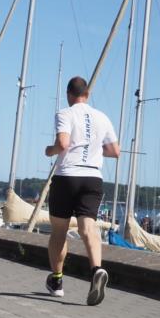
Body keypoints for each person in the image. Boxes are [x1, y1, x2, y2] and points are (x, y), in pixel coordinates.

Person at [44, 76, 120, 306]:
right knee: (88, 227)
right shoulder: (102, 117)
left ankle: (57, 281)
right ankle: (96, 269)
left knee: (59, 231)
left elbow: (63, 144)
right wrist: (94, 149)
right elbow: (115, 151)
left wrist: (50, 150)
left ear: (69, 94)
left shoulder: (65, 114)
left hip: (67, 176)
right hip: (92, 177)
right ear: (87, 94)